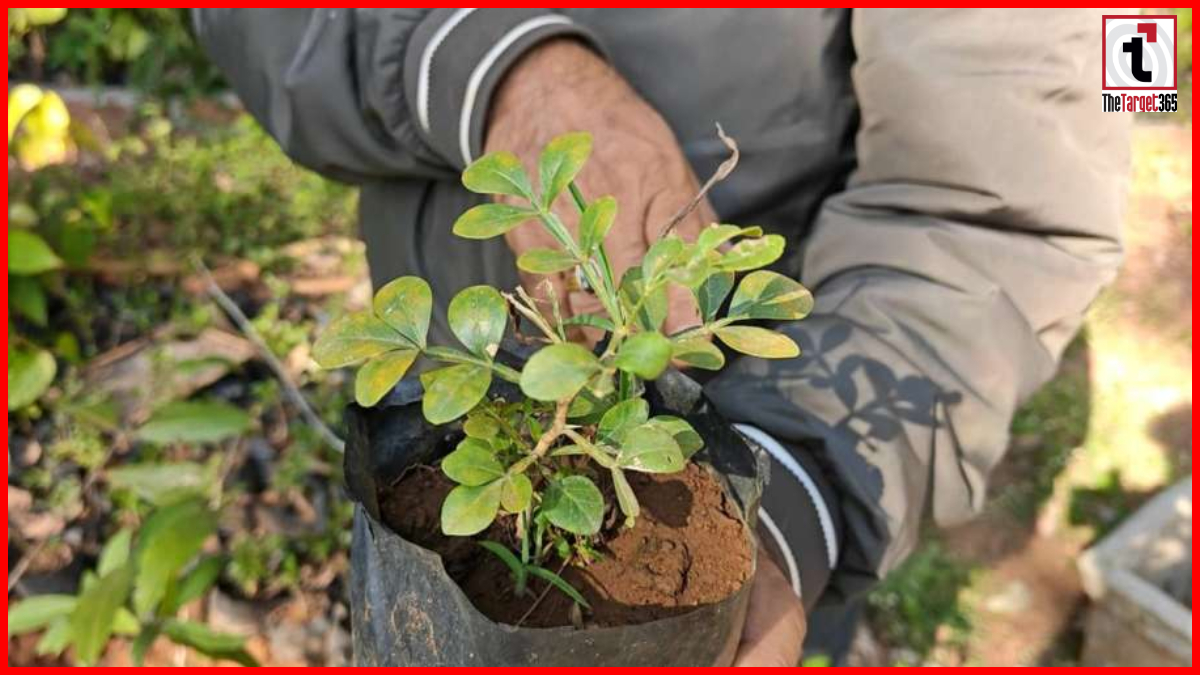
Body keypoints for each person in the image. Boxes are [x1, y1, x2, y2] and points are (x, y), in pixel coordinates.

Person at [194, 9, 1128, 666]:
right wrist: (485, 63)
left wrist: (800, 490)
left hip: (778, 424)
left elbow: (1012, 204)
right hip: (445, 409)